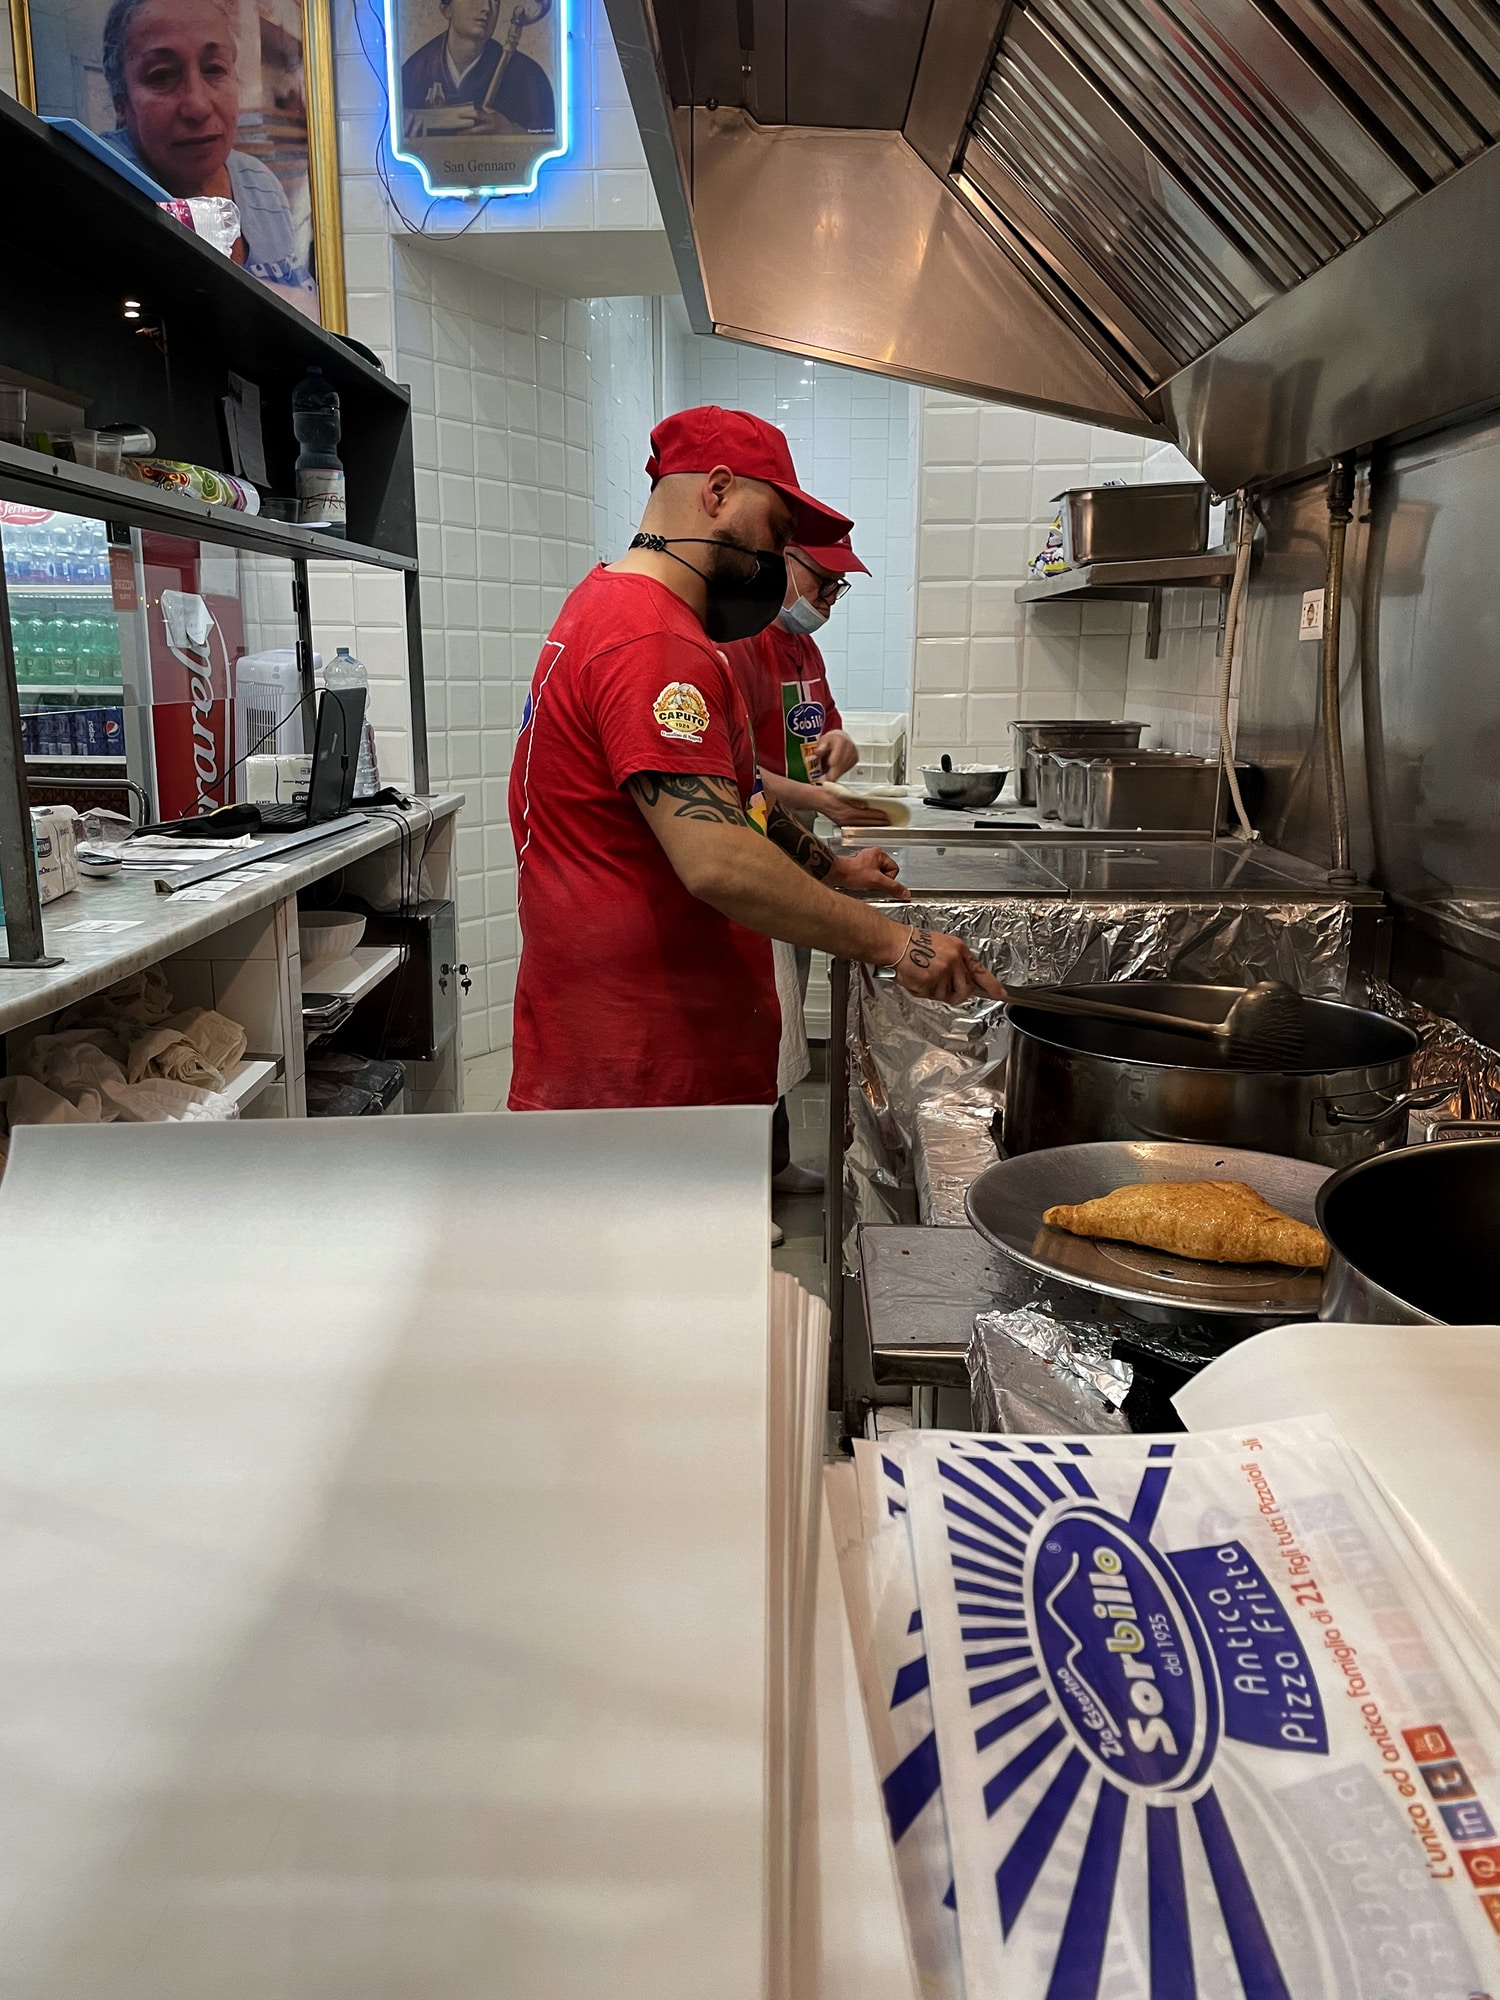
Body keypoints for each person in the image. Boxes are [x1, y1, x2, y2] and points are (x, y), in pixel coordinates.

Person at [507, 405, 1002, 1117]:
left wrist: (832, 869)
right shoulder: (652, 641)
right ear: (717, 491)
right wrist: (899, 945)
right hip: (640, 1070)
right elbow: (719, 859)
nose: (777, 559)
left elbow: (733, 805)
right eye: (776, 531)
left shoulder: (614, 609)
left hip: (643, 1053)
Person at [723, 533, 890, 1197]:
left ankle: (772, 1164)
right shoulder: (738, 645)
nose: (828, 599)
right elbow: (736, 774)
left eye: (837, 588)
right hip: (753, 841)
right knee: (752, 1014)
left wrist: (839, 748)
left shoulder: (804, 647)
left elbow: (820, 735)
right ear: (784, 565)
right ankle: (734, 1183)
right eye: (822, 582)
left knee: (783, 1014)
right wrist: (818, 797)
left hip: (798, 845)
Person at [99, 0, 315, 299]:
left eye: (214, 69)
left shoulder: (259, 185)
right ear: (120, 100)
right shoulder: (96, 189)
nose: (197, 106)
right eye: (161, 75)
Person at [401, 0, 555, 134]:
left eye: (494, 0)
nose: (487, 8)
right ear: (446, 9)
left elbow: (547, 138)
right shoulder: (414, 71)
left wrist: (512, 133)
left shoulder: (528, 76)